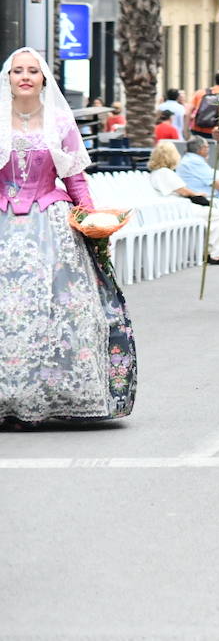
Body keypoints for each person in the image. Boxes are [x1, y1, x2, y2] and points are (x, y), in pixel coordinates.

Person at [0, 47, 136, 423]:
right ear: (8, 79)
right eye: (17, 71)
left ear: (44, 78)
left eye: (32, 70)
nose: (25, 76)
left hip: (51, 223)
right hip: (4, 221)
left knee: (54, 308)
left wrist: (92, 220)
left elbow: (75, 178)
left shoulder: (59, 122)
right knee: (10, 310)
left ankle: (54, 392)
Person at [147, 140, 219, 263]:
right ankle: (217, 253)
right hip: (178, 209)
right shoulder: (165, 173)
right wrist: (197, 194)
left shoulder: (157, 173)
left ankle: (216, 251)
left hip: (174, 208)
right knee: (218, 215)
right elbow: (183, 191)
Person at [187, 70, 219, 139]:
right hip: (215, 133)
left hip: (196, 130)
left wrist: (186, 130)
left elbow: (187, 112)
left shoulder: (201, 93)